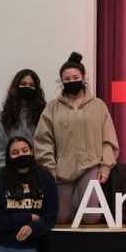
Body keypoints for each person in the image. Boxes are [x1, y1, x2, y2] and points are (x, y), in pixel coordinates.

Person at [35, 51, 119, 225]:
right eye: (67, 79)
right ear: (62, 81)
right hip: (62, 168)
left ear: (83, 77)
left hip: (90, 164)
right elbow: (43, 141)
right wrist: (49, 169)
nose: (72, 81)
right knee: (60, 217)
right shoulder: (52, 107)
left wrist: (105, 167)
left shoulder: (98, 105)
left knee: (92, 216)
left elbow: (108, 138)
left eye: (75, 77)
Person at [0, 69, 47, 169]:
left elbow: (48, 145)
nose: (27, 87)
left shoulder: (44, 114)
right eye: (23, 83)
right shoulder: (5, 116)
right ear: (16, 86)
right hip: (13, 173)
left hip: (39, 171)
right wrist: (7, 171)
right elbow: (0, 149)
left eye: (32, 85)